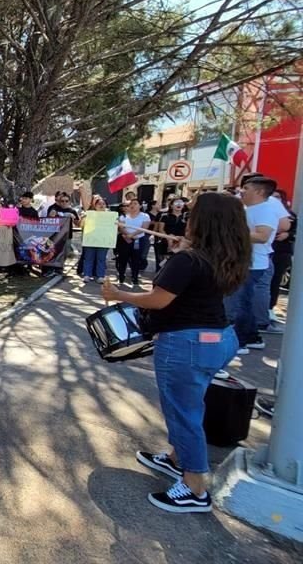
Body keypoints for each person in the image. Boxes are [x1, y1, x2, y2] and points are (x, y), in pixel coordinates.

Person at [102, 192, 248, 513]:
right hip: (219, 339)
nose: (187, 218)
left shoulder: (189, 260)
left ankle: (195, 488)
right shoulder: (224, 256)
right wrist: (183, 251)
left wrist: (117, 293)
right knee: (190, 404)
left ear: (204, 221)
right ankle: (176, 459)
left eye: (193, 213)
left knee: (183, 413)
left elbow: (158, 299)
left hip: (187, 343)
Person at [224, 176, 282, 352]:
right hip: (245, 262)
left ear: (259, 191)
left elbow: (263, 236)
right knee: (244, 302)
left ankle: (240, 341)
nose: (241, 191)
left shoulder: (266, 210)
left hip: (254, 264)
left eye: (246, 188)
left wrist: (232, 232)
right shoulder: (250, 209)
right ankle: (252, 337)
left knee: (239, 302)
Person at [269, 189, 295, 323]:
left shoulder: (290, 215)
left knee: (275, 281)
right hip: (267, 251)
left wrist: (288, 235)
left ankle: (270, 308)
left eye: (278, 197)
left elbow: (295, 230)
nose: (275, 200)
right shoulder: (264, 213)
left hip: (281, 252)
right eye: (272, 197)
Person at [116, 198, 151, 286]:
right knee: (122, 259)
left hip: (138, 239)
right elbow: (121, 228)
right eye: (131, 204)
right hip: (125, 239)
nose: (132, 205)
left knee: (136, 259)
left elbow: (144, 227)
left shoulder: (145, 216)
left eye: (135, 203)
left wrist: (133, 235)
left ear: (140, 206)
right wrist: (127, 235)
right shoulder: (123, 216)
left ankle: (134, 277)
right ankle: (121, 276)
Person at [81, 195, 111, 284]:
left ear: (106, 205)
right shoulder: (88, 215)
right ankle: (87, 275)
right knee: (88, 258)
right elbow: (82, 226)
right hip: (91, 240)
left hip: (103, 241)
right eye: (99, 204)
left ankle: (100, 276)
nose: (101, 205)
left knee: (101, 259)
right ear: (95, 205)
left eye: (103, 204)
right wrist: (83, 219)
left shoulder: (110, 216)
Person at [154, 198, 187, 271]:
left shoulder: (186, 217)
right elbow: (161, 229)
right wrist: (168, 237)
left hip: (180, 242)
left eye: (181, 203)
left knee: (178, 263)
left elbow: (188, 230)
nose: (179, 204)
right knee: (163, 263)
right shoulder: (165, 216)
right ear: (171, 205)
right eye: (176, 203)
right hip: (165, 241)